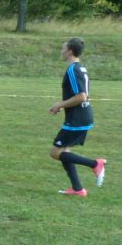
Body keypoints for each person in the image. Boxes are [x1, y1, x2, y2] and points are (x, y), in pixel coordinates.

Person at [48, 37, 106, 197]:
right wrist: (63, 105)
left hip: (77, 119)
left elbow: (81, 96)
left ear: (70, 51)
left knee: (55, 152)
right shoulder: (80, 68)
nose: (61, 51)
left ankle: (95, 164)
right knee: (65, 151)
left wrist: (60, 104)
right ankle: (78, 189)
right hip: (82, 116)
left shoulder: (73, 70)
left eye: (63, 48)